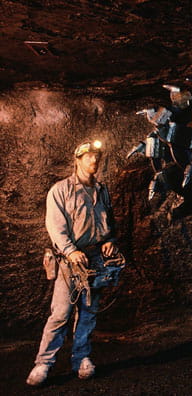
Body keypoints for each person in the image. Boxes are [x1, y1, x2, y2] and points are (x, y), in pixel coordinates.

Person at [26, 140, 118, 386]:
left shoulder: (102, 190)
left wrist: (109, 240)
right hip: (70, 262)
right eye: (88, 157)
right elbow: (55, 226)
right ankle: (43, 364)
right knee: (61, 314)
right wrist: (69, 251)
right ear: (77, 160)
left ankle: (82, 358)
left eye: (96, 157)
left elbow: (110, 222)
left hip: (96, 259)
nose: (93, 161)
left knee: (88, 313)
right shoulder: (61, 190)